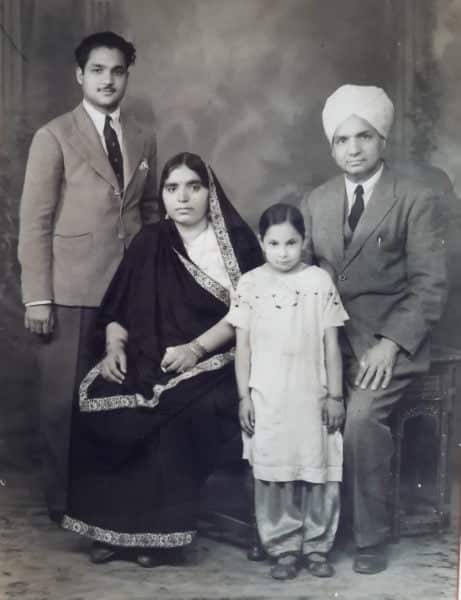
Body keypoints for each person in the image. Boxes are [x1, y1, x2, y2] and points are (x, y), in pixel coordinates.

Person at [61, 152, 263, 566]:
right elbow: (116, 307)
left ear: (211, 192)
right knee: (98, 396)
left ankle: (155, 537)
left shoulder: (236, 243)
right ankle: (112, 530)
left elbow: (247, 314)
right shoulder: (151, 240)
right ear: (163, 196)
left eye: (194, 187)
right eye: (172, 189)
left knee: (173, 413)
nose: (183, 198)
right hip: (145, 353)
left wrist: (196, 349)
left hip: (218, 359)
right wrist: (114, 348)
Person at [300, 84, 447, 574]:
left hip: (388, 342)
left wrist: (390, 344)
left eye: (364, 137)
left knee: (360, 418)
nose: (354, 149)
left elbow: (430, 286)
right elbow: (298, 276)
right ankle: (294, 531)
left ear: (383, 140)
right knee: (284, 398)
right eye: (343, 140)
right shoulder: (315, 201)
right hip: (327, 340)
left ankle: (369, 537)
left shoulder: (415, 198)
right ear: (332, 146)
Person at [17, 31, 157, 524]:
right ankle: (64, 503)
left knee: (117, 398)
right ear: (80, 76)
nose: (108, 80)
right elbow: (34, 221)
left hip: (128, 291)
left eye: (117, 71)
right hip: (70, 290)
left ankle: (107, 503)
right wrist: (38, 297)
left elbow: (148, 208)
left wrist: (152, 276)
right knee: (63, 404)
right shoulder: (54, 135)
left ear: (126, 77)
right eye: (97, 70)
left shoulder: (141, 136)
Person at [227, 203, 348, 580]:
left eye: (291, 243)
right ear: (262, 243)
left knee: (317, 469)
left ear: (304, 242)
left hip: (312, 393)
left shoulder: (318, 283)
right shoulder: (250, 285)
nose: (283, 252)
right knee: (275, 471)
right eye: (274, 243)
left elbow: (332, 346)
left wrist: (335, 396)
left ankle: (316, 546)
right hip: (269, 394)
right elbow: (242, 348)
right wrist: (244, 397)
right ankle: (282, 547)